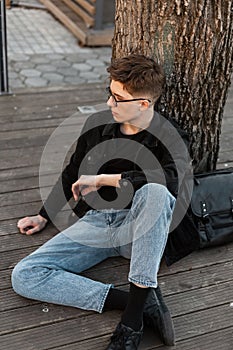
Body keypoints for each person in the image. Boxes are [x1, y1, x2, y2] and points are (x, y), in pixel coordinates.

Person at [12, 54, 199, 349]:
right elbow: (73, 170)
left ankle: (131, 324)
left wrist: (103, 179)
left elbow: (170, 182)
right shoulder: (97, 125)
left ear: (143, 104)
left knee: (156, 191)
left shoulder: (171, 136)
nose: (110, 103)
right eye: (109, 93)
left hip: (140, 229)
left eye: (118, 98)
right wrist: (44, 215)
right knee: (24, 276)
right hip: (98, 221)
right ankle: (139, 303)